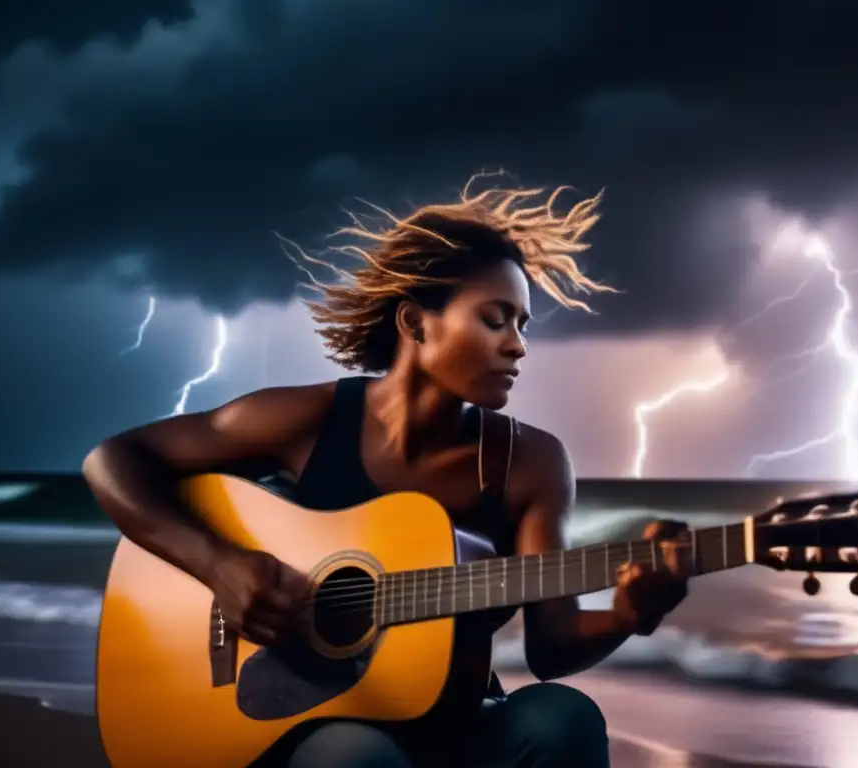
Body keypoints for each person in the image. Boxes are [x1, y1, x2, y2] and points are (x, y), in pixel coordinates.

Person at [83, 178, 690, 767]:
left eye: (522, 325)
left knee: (563, 717)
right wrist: (220, 566)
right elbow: (112, 462)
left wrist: (626, 616)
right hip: (299, 725)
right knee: (355, 754)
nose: (517, 346)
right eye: (495, 319)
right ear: (415, 322)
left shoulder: (529, 463)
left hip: (454, 723)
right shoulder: (308, 419)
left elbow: (551, 647)